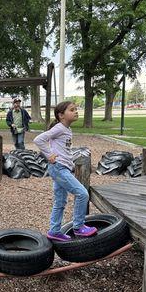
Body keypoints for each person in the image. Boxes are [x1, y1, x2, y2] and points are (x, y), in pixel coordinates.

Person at [33, 101, 97, 242]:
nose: (76, 111)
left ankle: (54, 231)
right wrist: (49, 154)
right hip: (59, 168)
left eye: (76, 109)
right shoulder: (60, 128)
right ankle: (79, 227)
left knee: (60, 202)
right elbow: (39, 139)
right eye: (72, 110)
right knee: (82, 194)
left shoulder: (67, 129)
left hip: (62, 168)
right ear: (61, 115)